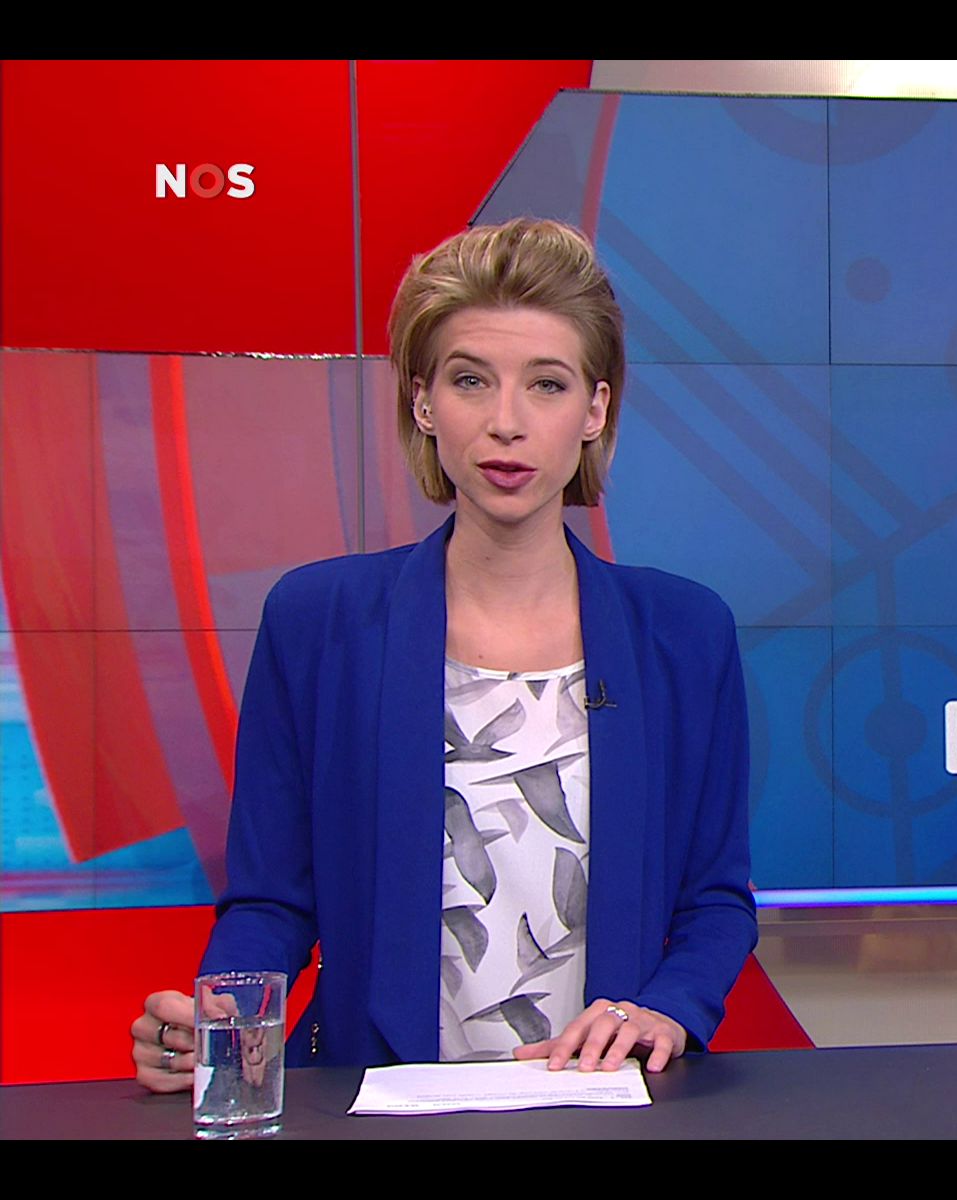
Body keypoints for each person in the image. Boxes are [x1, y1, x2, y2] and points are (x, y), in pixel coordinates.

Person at [129, 218, 757, 1091]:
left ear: (594, 410)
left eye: (547, 385)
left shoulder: (683, 633)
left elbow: (714, 900)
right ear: (423, 402)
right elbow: (272, 898)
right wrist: (221, 1024)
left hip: (604, 1099)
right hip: (371, 1097)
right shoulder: (319, 621)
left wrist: (667, 1008)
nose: (506, 423)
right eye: (470, 381)